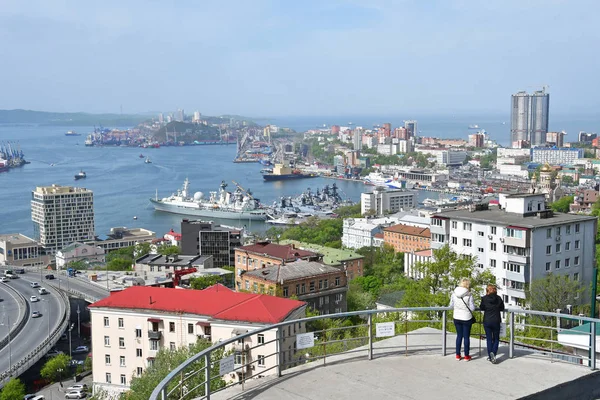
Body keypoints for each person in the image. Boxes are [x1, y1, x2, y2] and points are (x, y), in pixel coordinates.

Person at [449, 278, 476, 361]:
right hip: (466, 318)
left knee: (459, 336)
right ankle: (467, 356)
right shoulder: (469, 294)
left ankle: (457, 355)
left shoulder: (454, 294)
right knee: (466, 337)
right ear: (468, 285)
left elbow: (451, 305)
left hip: (456, 317)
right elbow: (472, 308)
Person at [479, 284, 505, 364]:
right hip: (496, 320)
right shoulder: (499, 298)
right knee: (496, 339)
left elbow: (481, 307)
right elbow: (502, 308)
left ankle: (491, 357)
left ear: (487, 291)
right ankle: (493, 353)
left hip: (487, 321)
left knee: (489, 339)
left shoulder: (484, 298)